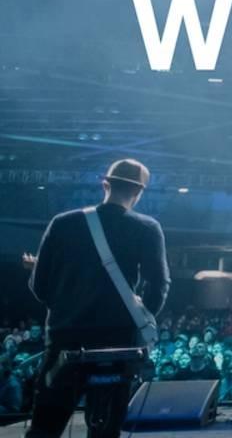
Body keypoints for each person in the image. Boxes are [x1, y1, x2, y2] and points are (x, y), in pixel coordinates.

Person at [26, 159, 170, 438]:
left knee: (45, 428)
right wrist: (139, 318)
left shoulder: (63, 223)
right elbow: (159, 285)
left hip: (66, 337)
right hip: (119, 341)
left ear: (106, 184)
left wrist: (67, 311)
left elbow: (40, 285)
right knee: (105, 430)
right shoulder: (147, 228)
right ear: (139, 192)